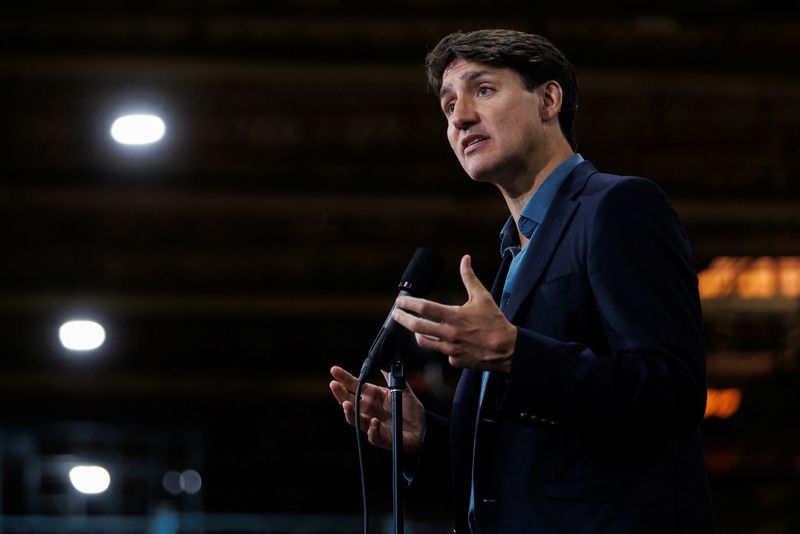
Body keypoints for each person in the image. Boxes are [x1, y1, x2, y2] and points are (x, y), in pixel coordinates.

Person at [330, 29, 715, 533]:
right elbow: (523, 470)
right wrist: (428, 436)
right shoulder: (511, 260)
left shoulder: (618, 207)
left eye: (483, 90)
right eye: (448, 107)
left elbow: (674, 392)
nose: (460, 116)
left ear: (549, 99)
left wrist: (515, 352)